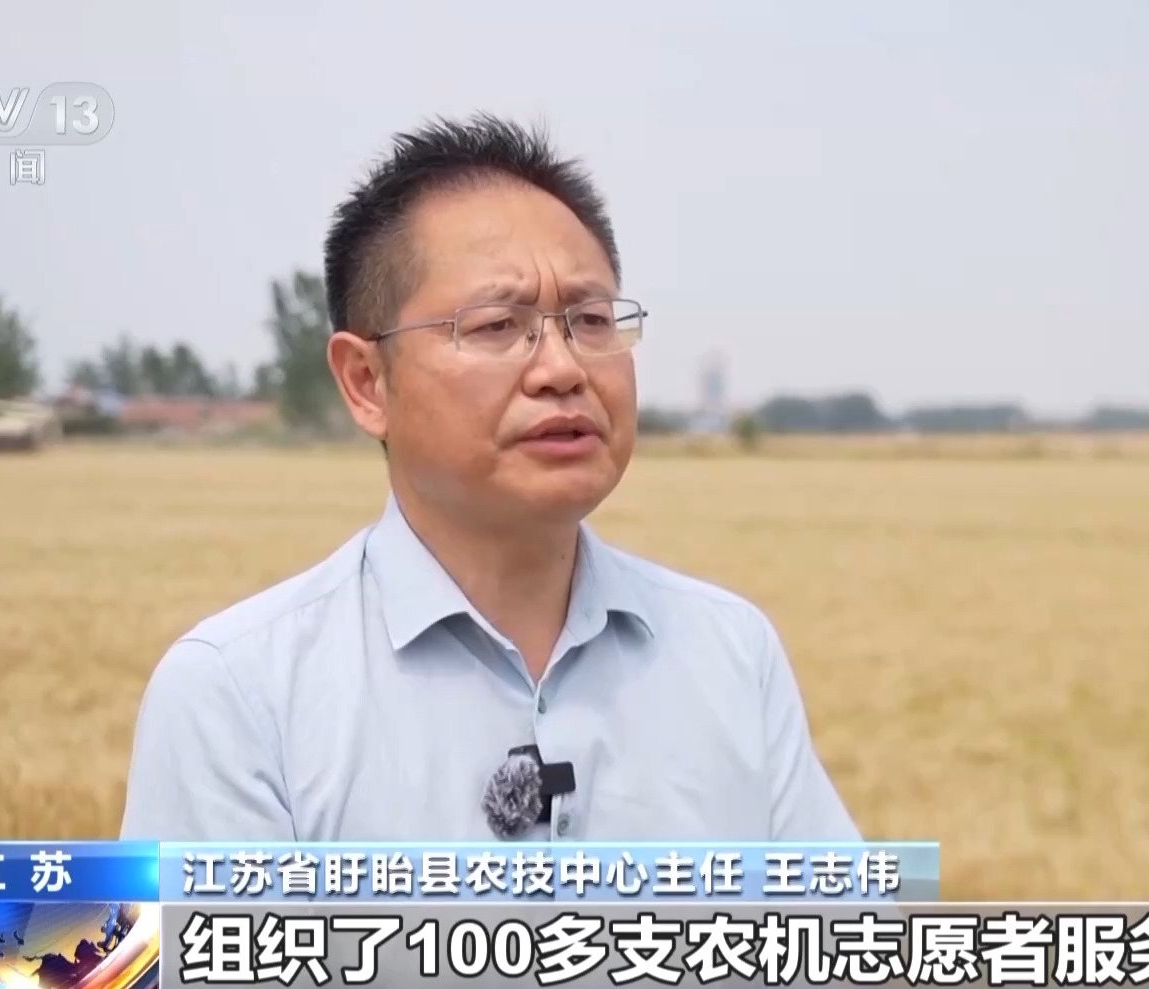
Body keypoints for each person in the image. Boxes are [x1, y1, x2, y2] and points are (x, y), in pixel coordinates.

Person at [119, 114, 859, 843]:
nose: (562, 369)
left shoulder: (731, 652)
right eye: (497, 325)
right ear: (367, 382)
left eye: (591, 320)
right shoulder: (239, 696)